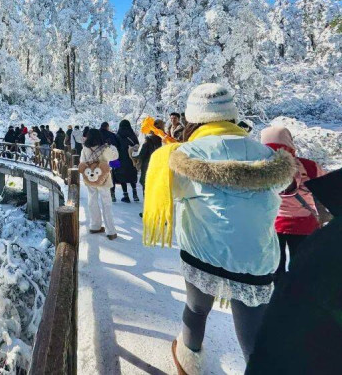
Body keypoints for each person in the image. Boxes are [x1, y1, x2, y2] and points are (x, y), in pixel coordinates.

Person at [142, 83, 295, 371]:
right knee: (253, 334)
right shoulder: (267, 155)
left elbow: (173, 192)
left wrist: (168, 152)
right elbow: (284, 184)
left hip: (202, 252)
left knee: (196, 308)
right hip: (255, 258)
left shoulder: (184, 155)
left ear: (193, 118)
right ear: (232, 116)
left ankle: (189, 361)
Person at [246, 162, 342, 375]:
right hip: (302, 225)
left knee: (285, 273)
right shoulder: (308, 166)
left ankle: (274, 289)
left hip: (278, 225)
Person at [260, 126, 325, 278]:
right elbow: (328, 186)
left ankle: (278, 291)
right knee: (302, 269)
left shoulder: (259, 168)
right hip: (305, 224)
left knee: (275, 268)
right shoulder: (308, 166)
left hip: (272, 225)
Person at [81, 128, 119, 240]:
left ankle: (94, 226)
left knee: (92, 201)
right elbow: (115, 157)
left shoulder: (85, 149)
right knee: (106, 203)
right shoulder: (105, 148)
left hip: (90, 178)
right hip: (103, 178)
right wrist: (112, 147)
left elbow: (82, 162)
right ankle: (110, 231)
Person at [115, 119, 140, 203]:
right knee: (132, 176)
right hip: (132, 159)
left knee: (122, 177)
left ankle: (126, 196)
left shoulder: (118, 135)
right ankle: (135, 194)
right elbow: (137, 146)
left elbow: (115, 148)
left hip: (121, 159)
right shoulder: (132, 135)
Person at [136, 120, 165, 191]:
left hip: (149, 165)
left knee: (147, 185)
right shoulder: (165, 138)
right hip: (161, 165)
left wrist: (137, 158)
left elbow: (142, 153)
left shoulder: (148, 139)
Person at [99, 122, 121, 201]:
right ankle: (112, 193)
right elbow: (117, 145)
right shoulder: (112, 135)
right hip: (111, 157)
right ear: (107, 127)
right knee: (111, 175)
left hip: (101, 158)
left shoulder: (97, 134)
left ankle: (103, 193)